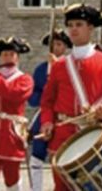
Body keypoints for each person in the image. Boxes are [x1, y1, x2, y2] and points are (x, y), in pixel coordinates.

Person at [38, 3, 102, 191]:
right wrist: (47, 122)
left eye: (79, 24)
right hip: (63, 136)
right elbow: (47, 101)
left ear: (90, 28)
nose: (73, 29)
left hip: (94, 135)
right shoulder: (60, 66)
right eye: (70, 25)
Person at [0, 36, 33, 191]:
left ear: (17, 57)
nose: (7, 57)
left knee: (12, 178)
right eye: (4, 55)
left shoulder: (25, 79)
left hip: (11, 134)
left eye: (11, 54)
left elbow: (14, 94)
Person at [27, 29, 69, 191]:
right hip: (44, 115)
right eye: (53, 44)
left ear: (65, 47)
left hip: (64, 116)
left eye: (59, 44)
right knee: (37, 154)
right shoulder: (41, 69)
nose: (55, 48)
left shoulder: (70, 67)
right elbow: (34, 97)